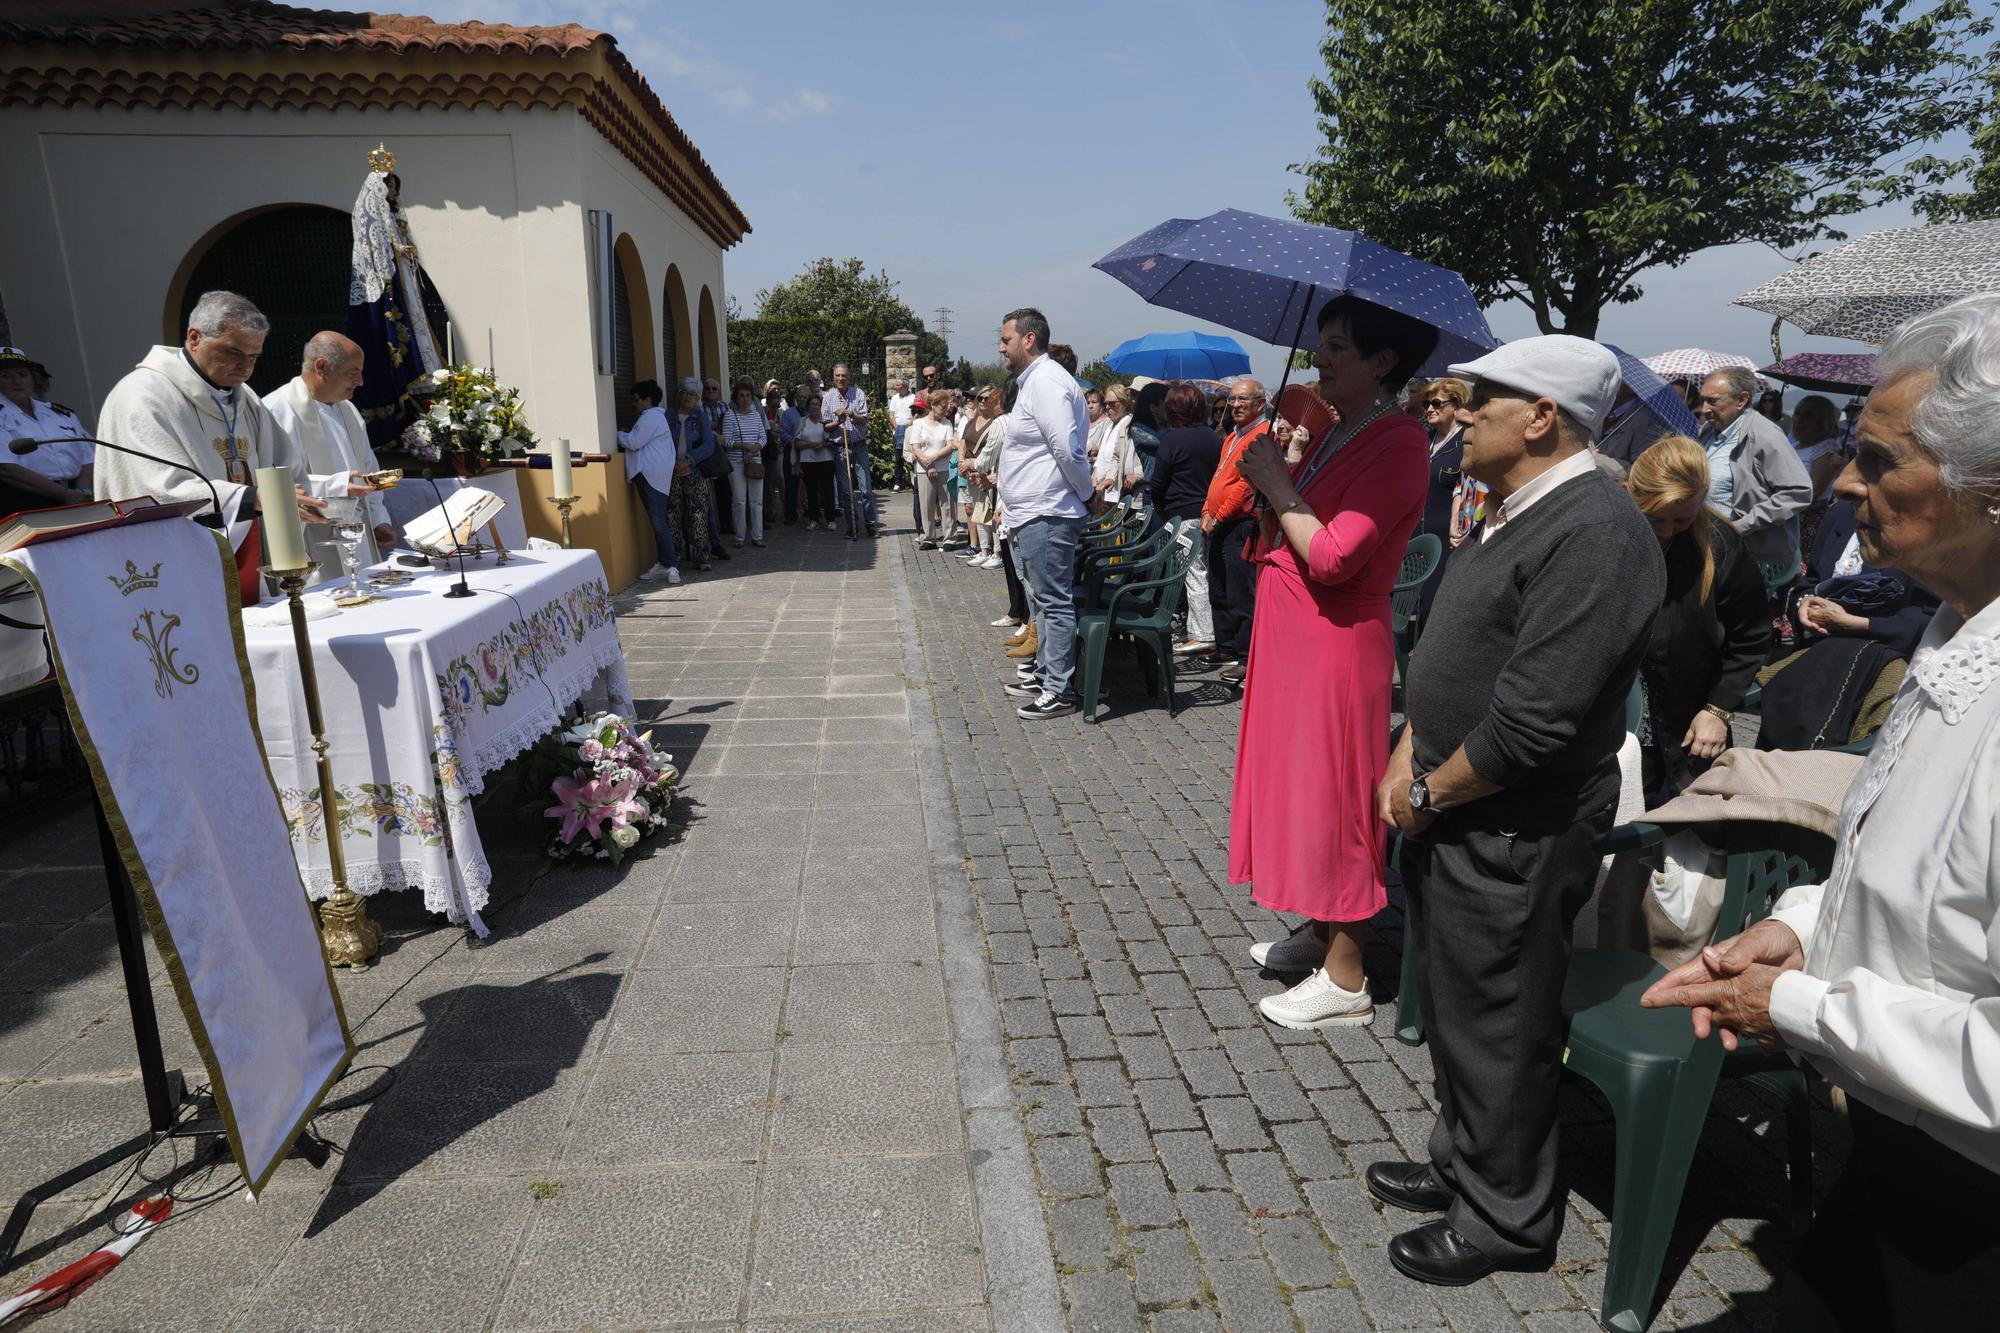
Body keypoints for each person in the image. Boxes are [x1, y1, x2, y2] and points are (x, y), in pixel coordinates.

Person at [1641, 292, 2000, 1330]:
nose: (1842, 482)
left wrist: (1792, 1008)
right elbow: (1915, 864)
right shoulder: (1948, 632)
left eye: (1880, 461)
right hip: (1901, 1150)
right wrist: (1798, 926)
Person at [1373, 335, 1665, 1286]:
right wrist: (1411, 742)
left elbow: (1533, 723)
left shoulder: (1593, 531)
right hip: (1463, 809)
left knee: (1502, 1019)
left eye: (1480, 401)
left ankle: (1505, 1217)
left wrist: (1426, 790)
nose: (1460, 415)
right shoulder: (1515, 508)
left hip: (1513, 824)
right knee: (1462, 1007)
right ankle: (1466, 1161)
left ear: (1541, 416)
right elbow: (1455, 648)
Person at [1233, 296, 1433, 1031]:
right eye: (1322, 344)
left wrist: (1281, 488)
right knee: (1299, 790)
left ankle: (1347, 977)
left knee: (1335, 799)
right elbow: (1289, 528)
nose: (1322, 358)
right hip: (1296, 640)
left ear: (1382, 362)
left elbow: (1335, 553)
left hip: (1335, 645)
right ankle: (1321, 935)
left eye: (1339, 347)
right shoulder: (1338, 430)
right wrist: (1278, 476)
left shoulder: (1400, 441)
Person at [94, 289, 319, 545]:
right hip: (176, 558)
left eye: (253, 357)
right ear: (194, 338)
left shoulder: (246, 399)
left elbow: (286, 468)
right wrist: (250, 498)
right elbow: (155, 489)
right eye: (233, 352)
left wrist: (297, 502)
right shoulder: (143, 394)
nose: (245, 367)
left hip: (251, 556)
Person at [1623, 434, 1770, 802]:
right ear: (1629, 492)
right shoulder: (1607, 533)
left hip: (1685, 717)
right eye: (1655, 517)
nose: (1667, 530)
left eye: (1682, 520)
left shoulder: (1720, 544)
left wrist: (1718, 710)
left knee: (1681, 832)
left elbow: (1751, 636)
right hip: (1612, 720)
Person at [995, 307, 1092, 720]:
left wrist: (1086, 493)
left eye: (1006, 339)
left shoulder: (1049, 382)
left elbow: (1066, 449)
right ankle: (1046, 673)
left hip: (1047, 511)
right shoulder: (1034, 383)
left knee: (1053, 602)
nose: (1001, 347)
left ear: (1028, 339)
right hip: (1031, 511)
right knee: (1041, 602)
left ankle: (1060, 689)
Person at [265, 331, 397, 576]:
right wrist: (338, 486)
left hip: (358, 533)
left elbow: (368, 467)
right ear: (322, 367)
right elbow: (277, 483)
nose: (361, 381)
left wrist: (378, 519)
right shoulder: (275, 410)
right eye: (352, 372)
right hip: (313, 539)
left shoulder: (348, 410)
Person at [1695, 366, 1814, 596]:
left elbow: (1798, 492)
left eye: (1712, 401)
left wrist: (1742, 525)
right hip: (1711, 548)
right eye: (1702, 401)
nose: (1704, 409)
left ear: (1741, 400)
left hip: (1751, 556)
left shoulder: (1764, 435)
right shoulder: (1709, 430)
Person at [1200, 378, 1268, 673]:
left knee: (1241, 593)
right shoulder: (1233, 435)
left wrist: (1218, 516)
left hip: (1238, 524)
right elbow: (1218, 476)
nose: (1236, 405)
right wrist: (1206, 509)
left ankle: (1244, 655)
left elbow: (1244, 487)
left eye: (1243, 400)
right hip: (1217, 523)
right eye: (1233, 400)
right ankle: (1225, 645)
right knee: (1218, 589)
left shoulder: (1262, 434)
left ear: (1260, 404)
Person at [1151, 383, 1223, 657]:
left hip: (1183, 513)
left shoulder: (1172, 438)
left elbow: (1159, 481)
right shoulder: (1212, 437)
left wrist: (1159, 503)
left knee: (1194, 574)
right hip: (1208, 512)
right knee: (1203, 571)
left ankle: (1204, 633)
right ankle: (1198, 629)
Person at [1410, 377, 1473, 623]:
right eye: (1427, 403)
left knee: (1433, 610)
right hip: (1414, 536)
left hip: (1446, 540)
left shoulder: (1466, 442)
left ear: (1457, 405)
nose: (1429, 409)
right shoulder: (1424, 438)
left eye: (1437, 403)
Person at [0, 345, 92, 506]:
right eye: (5, 376)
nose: (17, 382)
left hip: (76, 497)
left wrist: (83, 491)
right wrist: (63, 494)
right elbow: (6, 468)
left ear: (33, 380)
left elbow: (88, 456)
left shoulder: (61, 413)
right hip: (25, 500)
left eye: (23, 375)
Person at [618, 378, 680, 584]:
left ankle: (670, 565)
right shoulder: (655, 417)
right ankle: (665, 562)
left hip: (652, 476)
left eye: (636, 400)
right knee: (658, 522)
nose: (633, 404)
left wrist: (618, 434)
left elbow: (634, 442)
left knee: (658, 522)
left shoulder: (650, 417)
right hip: (653, 476)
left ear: (647, 400)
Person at [664, 377, 716, 571]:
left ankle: (702, 557)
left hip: (695, 471)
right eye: (684, 393)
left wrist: (690, 460)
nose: (687, 397)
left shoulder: (700, 417)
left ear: (698, 398)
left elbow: (709, 445)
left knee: (698, 514)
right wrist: (674, 463)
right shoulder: (668, 415)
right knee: (672, 514)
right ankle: (674, 556)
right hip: (672, 471)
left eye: (692, 394)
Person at [821, 363, 873, 534]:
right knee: (846, 490)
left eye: (844, 375)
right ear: (833, 377)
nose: (841, 379)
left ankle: (870, 524)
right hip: (840, 447)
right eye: (838, 376)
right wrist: (838, 421)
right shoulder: (828, 397)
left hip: (859, 446)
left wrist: (849, 414)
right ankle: (852, 526)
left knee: (865, 488)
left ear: (849, 377)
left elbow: (864, 419)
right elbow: (826, 427)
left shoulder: (858, 393)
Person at [958, 385, 1004, 568]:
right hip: (970, 471)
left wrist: (974, 466)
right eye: (980, 398)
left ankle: (996, 552)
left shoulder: (997, 422)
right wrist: (963, 463)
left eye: (987, 398)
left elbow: (993, 450)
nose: (983, 401)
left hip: (987, 473)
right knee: (978, 512)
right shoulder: (971, 421)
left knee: (992, 512)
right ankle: (983, 550)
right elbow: (962, 443)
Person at [720, 378, 767, 548]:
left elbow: (763, 437)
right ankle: (740, 536)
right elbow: (726, 440)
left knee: (757, 501)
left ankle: (757, 536)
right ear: (736, 398)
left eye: (748, 395)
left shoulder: (756, 415)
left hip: (755, 461)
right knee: (739, 501)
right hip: (737, 463)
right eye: (742, 395)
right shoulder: (730, 416)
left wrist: (755, 448)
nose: (745, 398)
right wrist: (744, 446)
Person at [907, 393, 956, 548]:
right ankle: (929, 537)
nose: (946, 409)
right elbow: (915, 447)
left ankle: (949, 538)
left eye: (947, 406)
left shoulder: (947, 423)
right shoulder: (918, 424)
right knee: (926, 504)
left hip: (944, 468)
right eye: (943, 406)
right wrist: (928, 465)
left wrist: (932, 459)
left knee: (947, 504)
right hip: (923, 469)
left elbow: (949, 447)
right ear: (932, 406)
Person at [793, 388, 837, 529]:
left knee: (828, 491)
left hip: (826, 460)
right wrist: (813, 445)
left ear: (821, 406)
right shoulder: (802, 422)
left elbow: (834, 440)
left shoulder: (827, 422)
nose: (814, 407)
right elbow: (797, 443)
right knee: (811, 492)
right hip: (808, 461)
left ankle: (831, 519)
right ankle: (814, 519)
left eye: (816, 405)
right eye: (811, 405)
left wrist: (823, 444)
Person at [1093, 383, 1143, 506]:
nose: (1108, 408)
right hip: (1107, 489)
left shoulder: (1129, 425)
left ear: (1124, 403)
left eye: (1112, 403)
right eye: (1106, 404)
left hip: (1125, 490)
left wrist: (1137, 474)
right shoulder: (1109, 427)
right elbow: (1114, 456)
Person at [888, 376, 915, 493]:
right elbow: (891, 415)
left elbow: (915, 414)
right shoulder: (894, 398)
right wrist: (897, 428)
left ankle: (915, 481)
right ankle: (898, 483)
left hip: (910, 430)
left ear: (905, 386)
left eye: (898, 385)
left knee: (913, 456)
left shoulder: (913, 397)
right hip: (897, 431)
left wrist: (909, 426)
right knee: (898, 459)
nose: (896, 387)